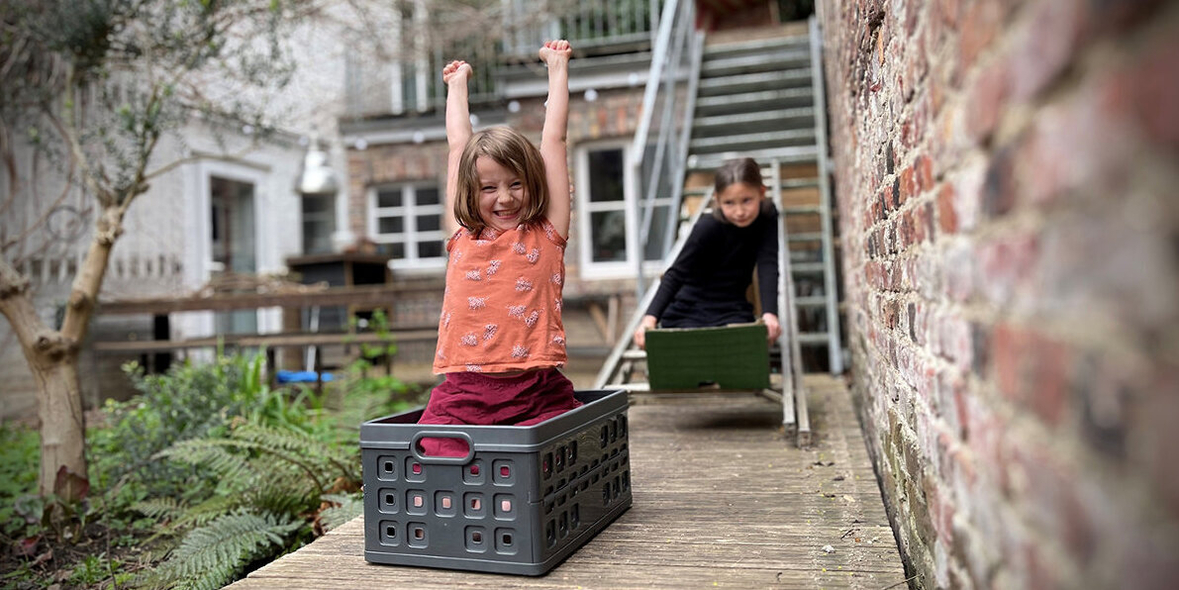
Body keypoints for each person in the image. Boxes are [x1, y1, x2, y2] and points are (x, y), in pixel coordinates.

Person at [416, 40, 577, 455]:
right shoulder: (461, 235)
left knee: (548, 461)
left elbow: (554, 139)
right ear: (473, 190)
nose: (504, 198)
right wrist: (457, 86)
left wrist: (557, 68)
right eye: (489, 188)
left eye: (516, 184)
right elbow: (458, 146)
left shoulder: (546, 233)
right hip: (463, 394)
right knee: (431, 459)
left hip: (536, 390)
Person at [633, 157, 782, 349]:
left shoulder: (767, 217)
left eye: (746, 200)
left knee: (747, 351)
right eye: (729, 203)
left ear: (761, 193)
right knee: (696, 363)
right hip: (690, 309)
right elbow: (676, 274)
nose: (739, 211)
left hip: (732, 307)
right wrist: (649, 319)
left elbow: (768, 263)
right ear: (717, 200)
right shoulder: (708, 227)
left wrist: (770, 313)